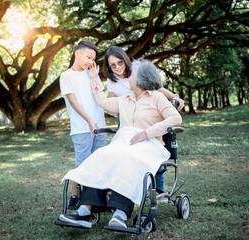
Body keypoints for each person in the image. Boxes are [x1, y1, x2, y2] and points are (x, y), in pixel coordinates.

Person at [58, 58, 182, 229]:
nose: (128, 78)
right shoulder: (125, 99)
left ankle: (120, 213)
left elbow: (175, 118)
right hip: (124, 142)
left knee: (128, 158)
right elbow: (102, 102)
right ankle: (85, 212)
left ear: (141, 79)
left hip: (150, 144)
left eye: (132, 75)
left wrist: (146, 133)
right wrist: (94, 78)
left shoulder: (157, 98)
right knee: (102, 155)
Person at [104, 46, 185, 196]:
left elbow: (157, 88)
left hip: (148, 117)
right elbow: (112, 104)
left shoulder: (137, 71)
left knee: (152, 147)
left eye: (119, 63)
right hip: (127, 120)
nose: (117, 67)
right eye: (112, 65)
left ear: (125, 60)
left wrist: (173, 96)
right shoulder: (112, 81)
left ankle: (157, 188)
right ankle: (122, 186)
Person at [59, 40, 107, 210]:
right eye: (88, 57)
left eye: (93, 59)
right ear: (77, 53)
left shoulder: (91, 74)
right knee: (82, 165)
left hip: (100, 127)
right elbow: (73, 102)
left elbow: (100, 96)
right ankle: (75, 196)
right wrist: (88, 120)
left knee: (99, 163)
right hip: (82, 129)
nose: (90, 62)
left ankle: (97, 200)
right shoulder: (66, 76)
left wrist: (94, 76)